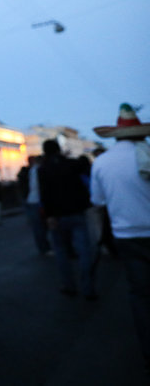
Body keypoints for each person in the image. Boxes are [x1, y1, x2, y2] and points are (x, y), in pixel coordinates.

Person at [90, 104, 150, 374]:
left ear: (116, 136)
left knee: (140, 294)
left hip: (127, 235)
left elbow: (97, 200)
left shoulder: (102, 162)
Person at [37, 139, 96, 299]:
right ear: (58, 150)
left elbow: (44, 194)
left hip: (56, 216)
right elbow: (85, 162)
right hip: (76, 212)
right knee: (84, 251)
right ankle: (88, 288)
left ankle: (69, 285)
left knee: (62, 252)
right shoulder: (70, 164)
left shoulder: (43, 169)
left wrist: (48, 216)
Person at [19, 156, 52, 256]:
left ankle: (43, 247)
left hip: (31, 200)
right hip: (36, 201)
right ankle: (44, 248)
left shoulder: (30, 171)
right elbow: (37, 188)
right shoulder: (37, 170)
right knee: (41, 227)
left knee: (39, 227)